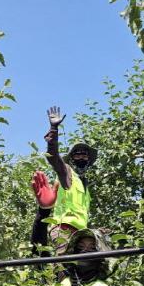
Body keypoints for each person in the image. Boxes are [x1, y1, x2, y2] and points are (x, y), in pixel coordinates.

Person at [31, 105, 98, 255]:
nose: (81, 157)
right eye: (77, 154)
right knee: (65, 266)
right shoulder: (67, 172)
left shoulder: (84, 184)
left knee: (95, 265)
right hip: (64, 231)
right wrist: (54, 129)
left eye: (85, 155)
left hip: (81, 234)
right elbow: (54, 158)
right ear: (72, 159)